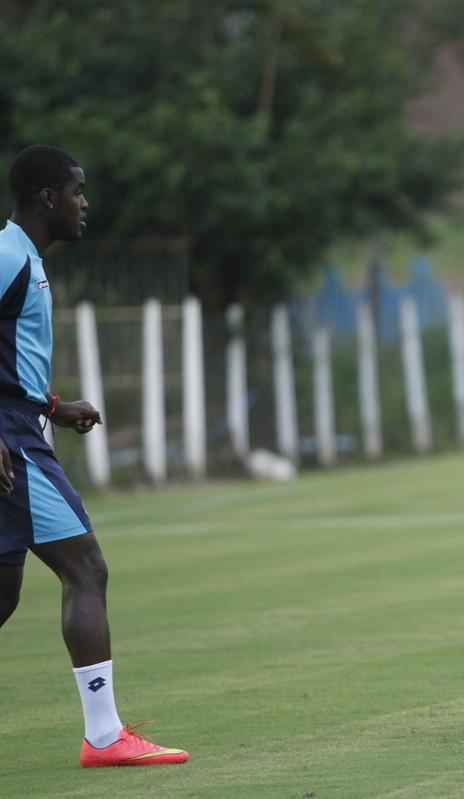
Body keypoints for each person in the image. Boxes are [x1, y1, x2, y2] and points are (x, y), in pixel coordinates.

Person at [0, 146, 189, 767]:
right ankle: (105, 736)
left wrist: (52, 405)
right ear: (48, 197)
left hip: (25, 423)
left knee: (1, 595)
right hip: (11, 442)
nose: (86, 204)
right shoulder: (6, 254)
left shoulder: (26, 259)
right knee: (86, 568)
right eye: (78, 192)